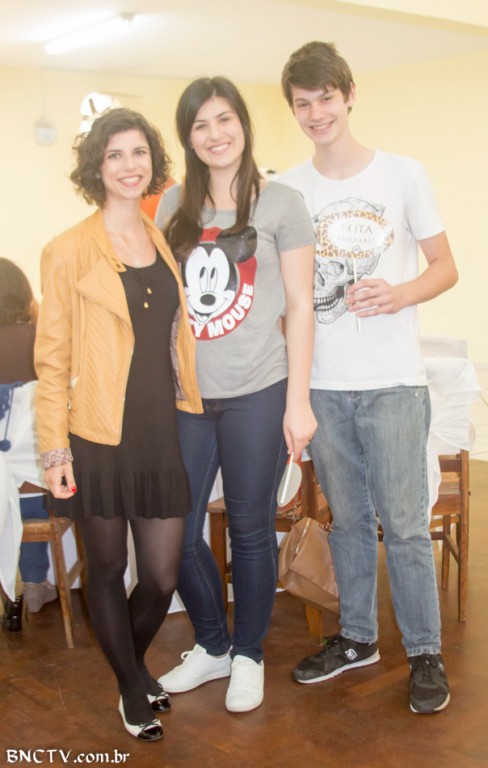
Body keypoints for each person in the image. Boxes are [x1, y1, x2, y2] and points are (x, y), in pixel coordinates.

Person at [280, 41, 458, 715]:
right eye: (303, 103)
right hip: (324, 385)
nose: (316, 113)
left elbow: (446, 267)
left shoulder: (404, 175)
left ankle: (425, 651)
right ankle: (357, 638)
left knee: (405, 526)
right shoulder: (289, 189)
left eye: (326, 98)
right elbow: (287, 297)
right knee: (348, 520)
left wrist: (400, 293)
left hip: (393, 383)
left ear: (349, 95)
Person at [34, 108, 202, 741]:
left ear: (152, 162)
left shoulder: (160, 239)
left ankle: (129, 668)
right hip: (96, 433)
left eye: (139, 153)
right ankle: (133, 687)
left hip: (159, 430)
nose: (129, 166)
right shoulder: (67, 250)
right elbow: (52, 361)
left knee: (159, 577)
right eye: (115, 155)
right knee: (105, 570)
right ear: (96, 167)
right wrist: (55, 452)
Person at [155, 77, 316, 713]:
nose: (215, 134)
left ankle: (248, 655)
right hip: (188, 396)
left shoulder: (281, 203)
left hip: (259, 389)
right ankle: (213, 645)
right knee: (175, 530)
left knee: (250, 531)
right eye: (200, 124)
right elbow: (165, 304)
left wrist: (298, 402)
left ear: (243, 125)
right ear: (188, 137)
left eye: (225, 119)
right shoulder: (173, 205)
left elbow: (301, 307)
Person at [0, 258, 57, 630]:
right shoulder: (39, 338)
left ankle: (9, 593)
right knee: (35, 483)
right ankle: (35, 582)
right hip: (34, 476)